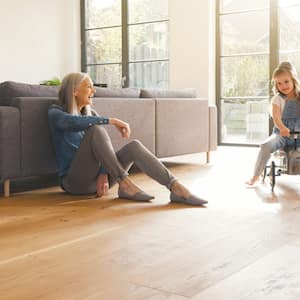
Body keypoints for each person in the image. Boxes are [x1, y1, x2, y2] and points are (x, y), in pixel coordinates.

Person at [48, 72, 207, 206]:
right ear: (74, 91)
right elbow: (71, 122)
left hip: (98, 182)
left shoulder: (91, 115)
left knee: (134, 147)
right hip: (75, 183)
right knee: (96, 130)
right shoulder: (55, 113)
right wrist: (112, 120)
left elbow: (103, 149)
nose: (94, 91)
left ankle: (176, 188)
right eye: (89, 86)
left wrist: (104, 172)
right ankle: (125, 183)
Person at [246, 61, 300, 185]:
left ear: (293, 80)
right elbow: (276, 117)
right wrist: (282, 127)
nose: (283, 86)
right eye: (279, 83)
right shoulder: (277, 99)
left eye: (286, 81)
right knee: (265, 146)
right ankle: (255, 175)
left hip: (298, 133)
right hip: (282, 134)